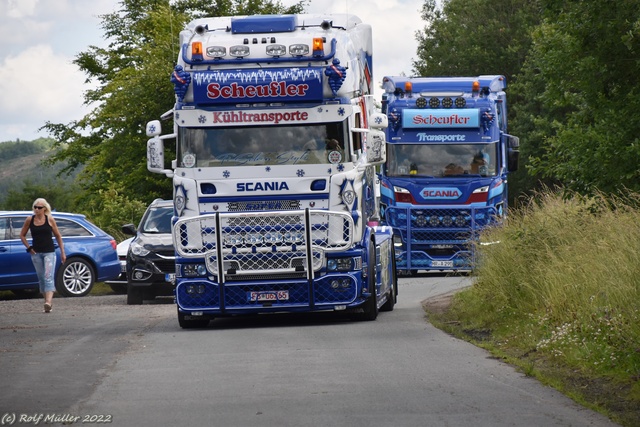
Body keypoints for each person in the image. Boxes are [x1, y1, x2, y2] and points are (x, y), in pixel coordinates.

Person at [19, 198, 66, 313]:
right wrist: (29, 248)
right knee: (41, 278)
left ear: (44, 209)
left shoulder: (49, 219)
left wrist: (62, 252)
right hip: (36, 253)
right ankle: (47, 303)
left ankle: (48, 302)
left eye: (39, 207)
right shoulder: (30, 220)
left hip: (49, 252)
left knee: (48, 276)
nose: (36, 209)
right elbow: (22, 235)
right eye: (35, 207)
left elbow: (58, 236)